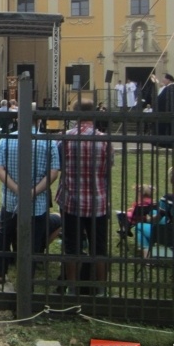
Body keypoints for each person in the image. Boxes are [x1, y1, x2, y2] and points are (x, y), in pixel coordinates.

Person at [56, 99, 114, 296]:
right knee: (99, 247)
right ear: (94, 114)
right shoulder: (104, 140)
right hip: (97, 200)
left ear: (74, 114)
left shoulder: (64, 139)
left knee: (71, 246)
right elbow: (108, 169)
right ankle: (100, 289)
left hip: (71, 198)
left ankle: (72, 287)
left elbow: (60, 165)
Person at [0, 119, 61, 290]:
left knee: (5, 232)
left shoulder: (5, 140)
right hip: (37, 201)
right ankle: (27, 279)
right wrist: (33, 192)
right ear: (38, 121)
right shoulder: (48, 141)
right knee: (34, 239)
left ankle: (0, 272)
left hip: (11, 198)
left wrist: (17, 189)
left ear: (17, 119)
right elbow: (53, 172)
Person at [152, 73, 174, 138]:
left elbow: (159, 101)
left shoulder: (166, 89)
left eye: (164, 79)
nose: (163, 81)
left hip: (166, 114)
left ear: (169, 80)